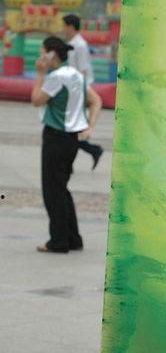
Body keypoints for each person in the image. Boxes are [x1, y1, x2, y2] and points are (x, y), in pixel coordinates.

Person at [31, 36, 102, 253]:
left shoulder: (56, 77)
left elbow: (36, 100)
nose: (40, 56)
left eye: (42, 52)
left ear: (51, 54)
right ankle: (73, 238)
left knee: (52, 191)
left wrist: (40, 74)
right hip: (71, 140)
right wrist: (89, 126)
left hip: (56, 137)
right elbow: (96, 100)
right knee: (61, 189)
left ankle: (59, 241)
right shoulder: (75, 75)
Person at [62, 13, 104, 170]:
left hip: (79, 87)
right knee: (71, 128)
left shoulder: (79, 45)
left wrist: (78, 92)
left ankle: (90, 151)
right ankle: (92, 150)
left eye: (64, 26)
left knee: (71, 128)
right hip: (75, 86)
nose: (62, 29)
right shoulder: (73, 43)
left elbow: (84, 69)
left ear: (70, 26)